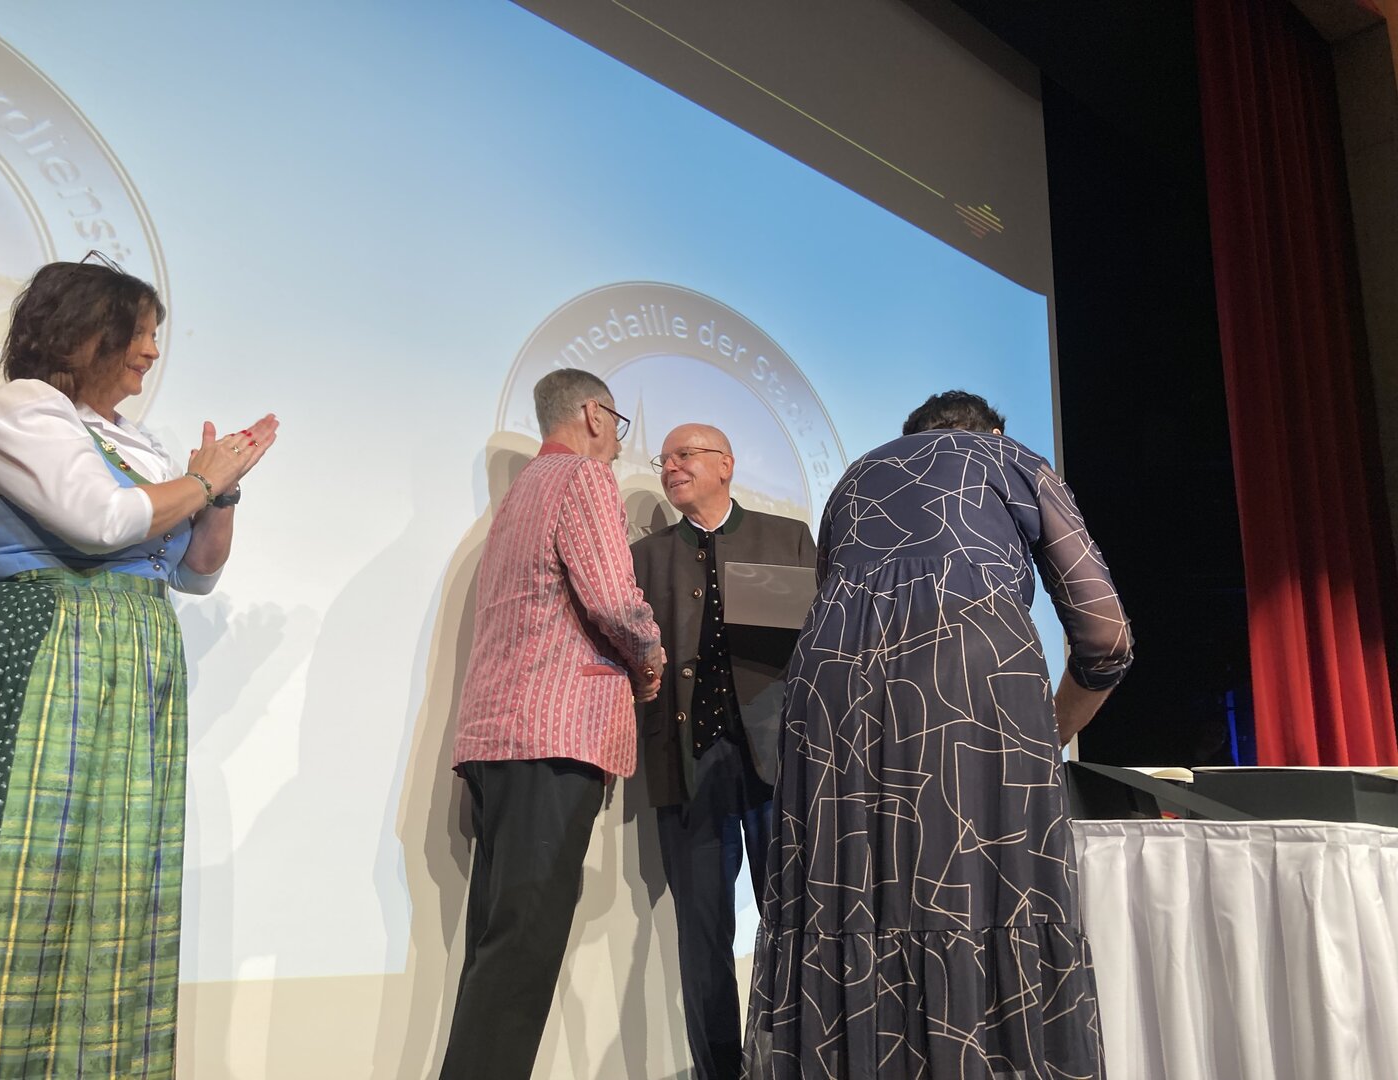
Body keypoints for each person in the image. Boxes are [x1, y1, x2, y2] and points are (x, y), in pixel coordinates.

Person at [745, 390, 1133, 1079]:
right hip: (968, 680)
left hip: (830, 696)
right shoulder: (1011, 460)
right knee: (979, 894)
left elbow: (829, 593)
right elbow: (1106, 637)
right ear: (990, 433)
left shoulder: (855, 479)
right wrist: (1051, 730)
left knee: (846, 899)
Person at [0, 255, 278, 1078]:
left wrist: (222, 492)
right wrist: (199, 480)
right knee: (34, 871)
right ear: (82, 333)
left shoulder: (136, 441)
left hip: (132, 661)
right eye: (138, 334)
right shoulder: (25, 408)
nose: (150, 353)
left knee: (117, 879)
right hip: (51, 651)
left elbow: (194, 571)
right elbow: (99, 520)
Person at [440, 368, 665, 1080]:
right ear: (595, 416)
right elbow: (615, 601)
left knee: (498, 946)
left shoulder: (517, 497)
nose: (619, 445)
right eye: (618, 427)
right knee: (523, 951)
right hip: (555, 735)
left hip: (496, 737)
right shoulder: (584, 479)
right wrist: (650, 658)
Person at [629, 424, 815, 1080]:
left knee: (791, 922)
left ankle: (794, 1062)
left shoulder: (787, 539)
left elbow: (817, 648)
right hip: (687, 761)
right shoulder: (645, 556)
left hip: (777, 763)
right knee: (703, 935)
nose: (671, 467)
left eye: (685, 455)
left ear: (725, 464)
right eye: (665, 459)